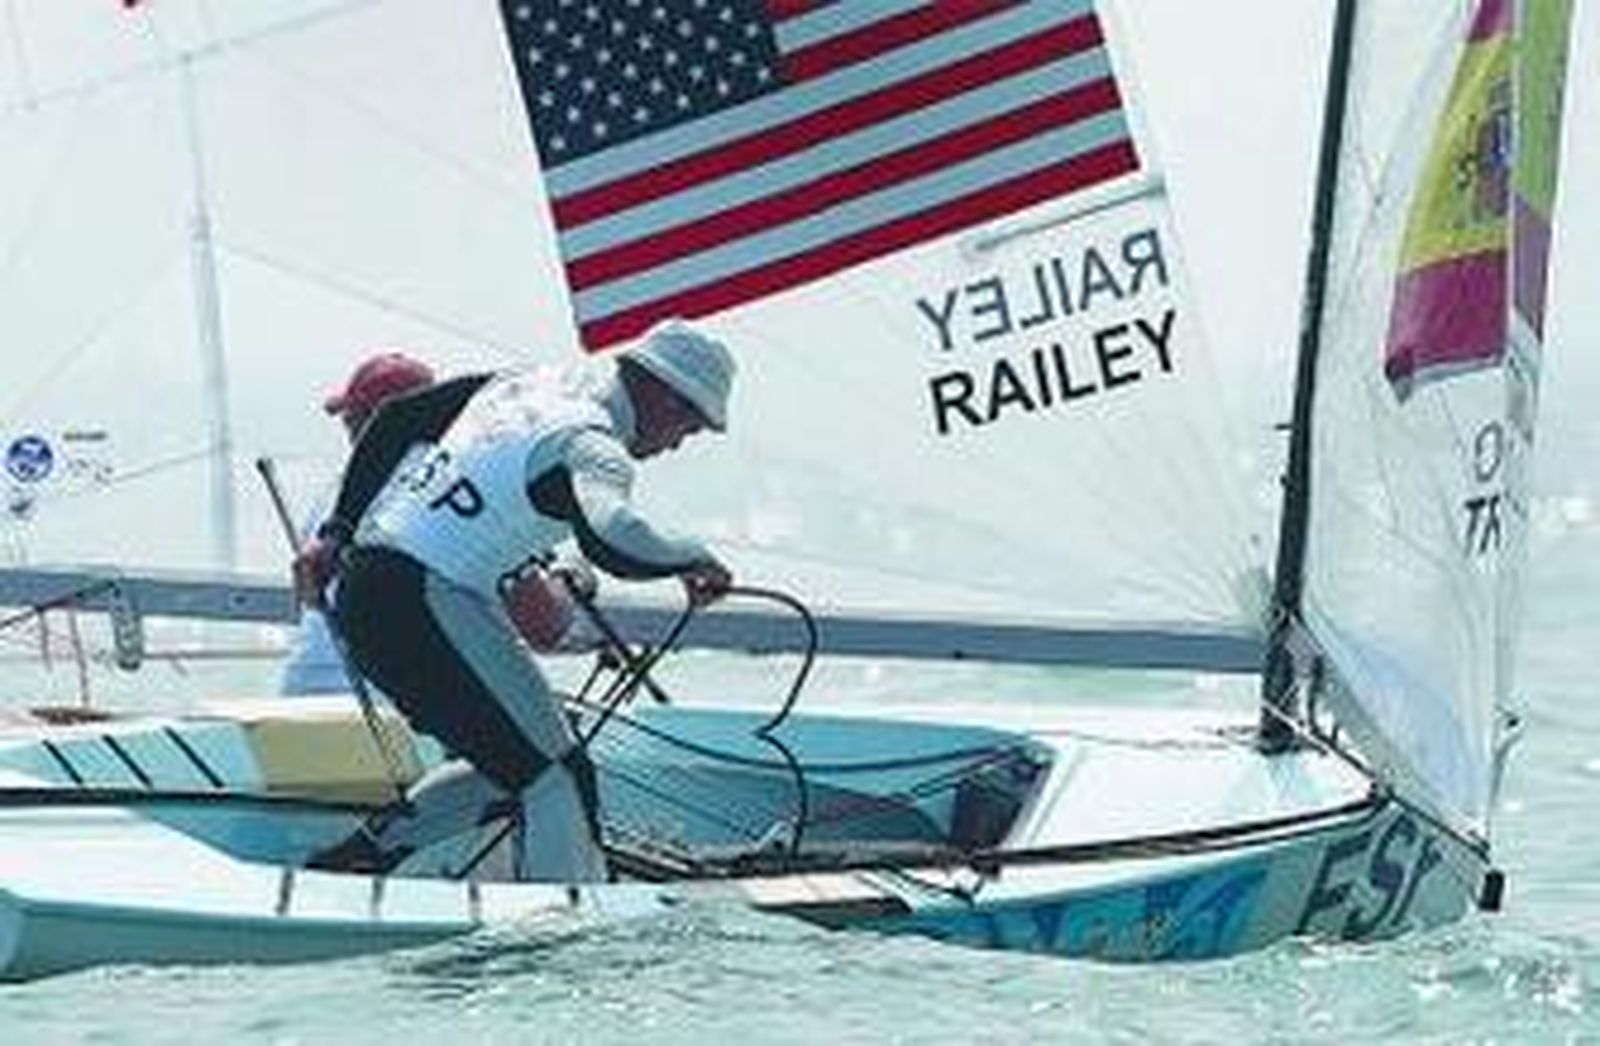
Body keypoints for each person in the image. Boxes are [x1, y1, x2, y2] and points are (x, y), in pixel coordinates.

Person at [295, 319, 736, 882]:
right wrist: (693, 557)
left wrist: (337, 533)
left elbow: (397, 420)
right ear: (668, 398)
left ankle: (356, 864)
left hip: (371, 592)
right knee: (559, 775)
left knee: (518, 759)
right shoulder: (595, 445)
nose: (676, 444)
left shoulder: (528, 384)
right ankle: (568, 939)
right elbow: (613, 533)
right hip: (423, 601)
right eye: (689, 427)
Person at [279, 351, 437, 696]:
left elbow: (305, 596)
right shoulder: (441, 486)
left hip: (300, 695)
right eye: (351, 416)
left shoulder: (336, 494)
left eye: (358, 416)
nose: (349, 426)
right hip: (384, 702)